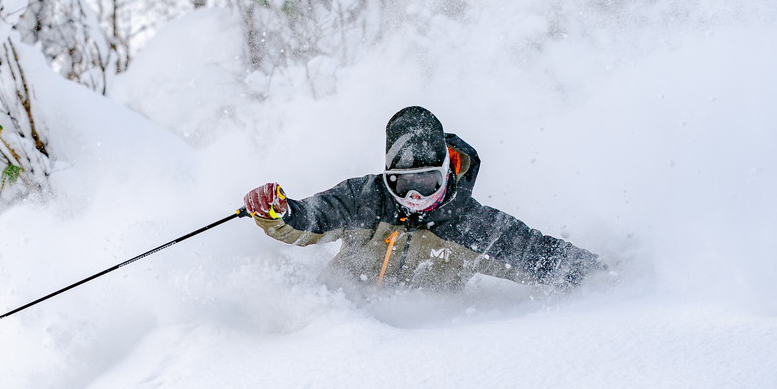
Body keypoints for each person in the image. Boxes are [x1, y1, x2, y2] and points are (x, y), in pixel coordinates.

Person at [244, 106, 605, 292]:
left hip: (421, 346)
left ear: (447, 173)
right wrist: (277, 210)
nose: (415, 195)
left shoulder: (473, 226)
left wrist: (603, 275)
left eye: (428, 181)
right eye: (402, 184)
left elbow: (537, 255)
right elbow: (307, 220)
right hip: (341, 330)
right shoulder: (364, 198)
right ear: (387, 177)